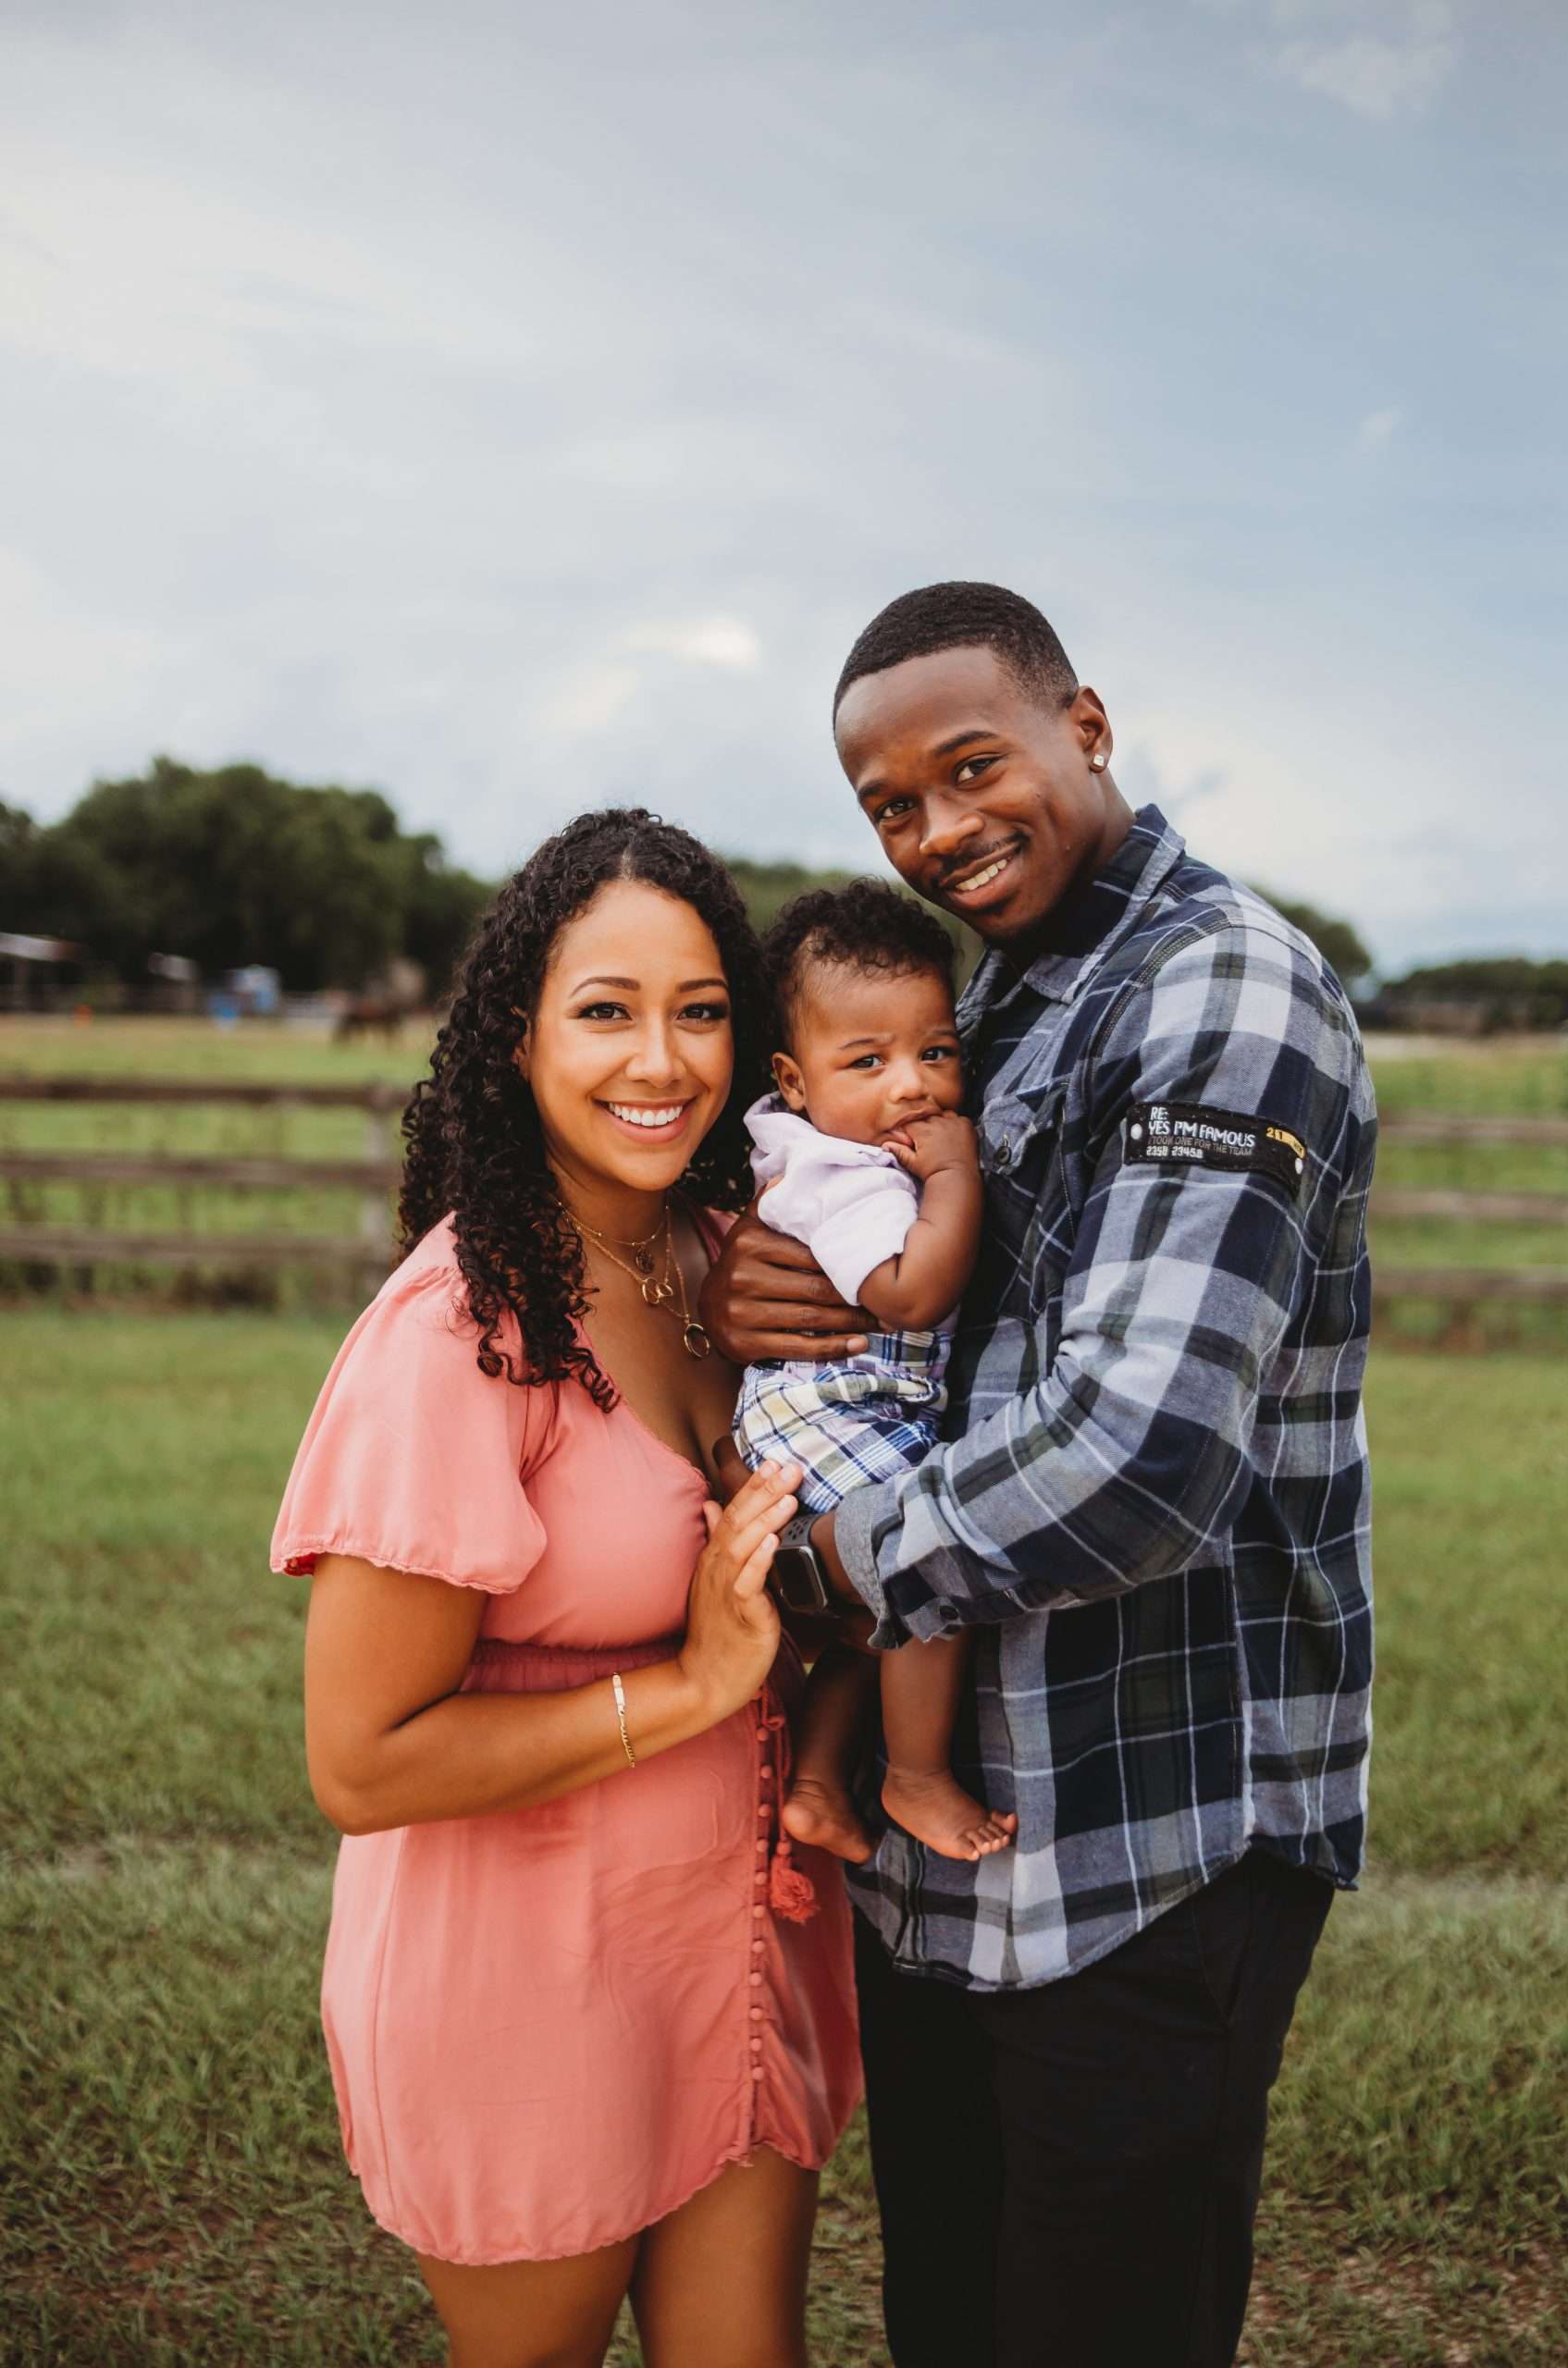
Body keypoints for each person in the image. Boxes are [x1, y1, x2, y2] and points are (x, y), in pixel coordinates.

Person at [702, 584, 1377, 2368]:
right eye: (889, 806)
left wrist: (813, 1574)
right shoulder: (986, 1005)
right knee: (956, 2319)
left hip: (1143, 1834)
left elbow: (1137, 1460)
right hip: (955, 1850)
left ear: (1085, 723)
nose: (937, 827)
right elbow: (914, 1284)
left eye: (970, 764)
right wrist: (759, 1283)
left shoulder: (1219, 990)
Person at [271, 808, 861, 2368]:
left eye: (701, 1010)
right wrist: (689, 1686)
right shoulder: (461, 1333)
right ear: (517, 1040)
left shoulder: (734, 1268)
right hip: (527, 1983)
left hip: (732, 1943)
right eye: (605, 1011)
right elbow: (361, 1758)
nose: (658, 1059)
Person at [733, 881, 1017, 1865]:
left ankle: (815, 1785)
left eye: (935, 1051)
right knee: (931, 1566)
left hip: (836, 1411)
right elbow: (908, 1294)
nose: (913, 1085)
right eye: (868, 1060)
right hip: (829, 1413)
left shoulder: (843, 1143)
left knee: (869, 1624)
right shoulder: (840, 1172)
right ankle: (916, 1774)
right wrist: (953, 1176)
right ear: (795, 1079)